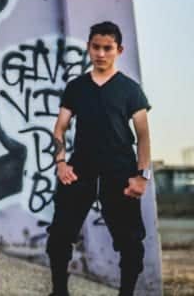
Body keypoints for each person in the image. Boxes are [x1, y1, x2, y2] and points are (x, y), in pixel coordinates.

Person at [47, 21, 151, 296]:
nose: (101, 53)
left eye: (108, 48)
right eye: (96, 47)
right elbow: (60, 127)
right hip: (80, 170)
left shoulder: (130, 90)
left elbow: (143, 136)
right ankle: (59, 292)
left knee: (131, 243)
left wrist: (142, 176)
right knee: (59, 236)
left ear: (119, 50)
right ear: (88, 47)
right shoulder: (76, 87)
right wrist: (60, 163)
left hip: (120, 172)